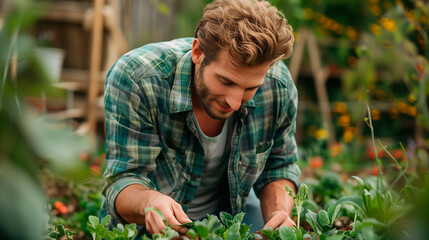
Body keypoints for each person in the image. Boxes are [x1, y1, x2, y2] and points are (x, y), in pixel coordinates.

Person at [100, 0, 301, 236]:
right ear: (197, 52)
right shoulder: (138, 79)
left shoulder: (277, 86)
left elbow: (279, 166)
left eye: (250, 88)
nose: (235, 103)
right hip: (149, 231)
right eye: (226, 81)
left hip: (231, 220)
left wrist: (280, 211)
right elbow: (124, 179)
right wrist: (149, 201)